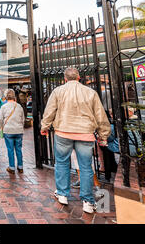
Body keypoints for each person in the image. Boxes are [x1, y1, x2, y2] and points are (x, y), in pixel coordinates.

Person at [40, 67, 111, 214]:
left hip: (63, 133)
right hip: (85, 134)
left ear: (65, 79)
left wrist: (44, 127)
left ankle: (62, 194)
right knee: (86, 166)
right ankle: (87, 201)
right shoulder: (90, 92)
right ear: (78, 77)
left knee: (61, 163)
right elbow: (100, 115)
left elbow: (49, 111)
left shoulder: (58, 91)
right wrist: (103, 136)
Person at [0, 89, 25, 174]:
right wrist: (20, 127)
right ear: (14, 96)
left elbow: (0, 119)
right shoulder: (19, 106)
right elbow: (23, 119)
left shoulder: (3, 107)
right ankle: (20, 167)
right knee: (19, 149)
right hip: (18, 130)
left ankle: (12, 167)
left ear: (6, 97)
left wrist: (2, 128)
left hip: (8, 131)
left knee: (10, 150)